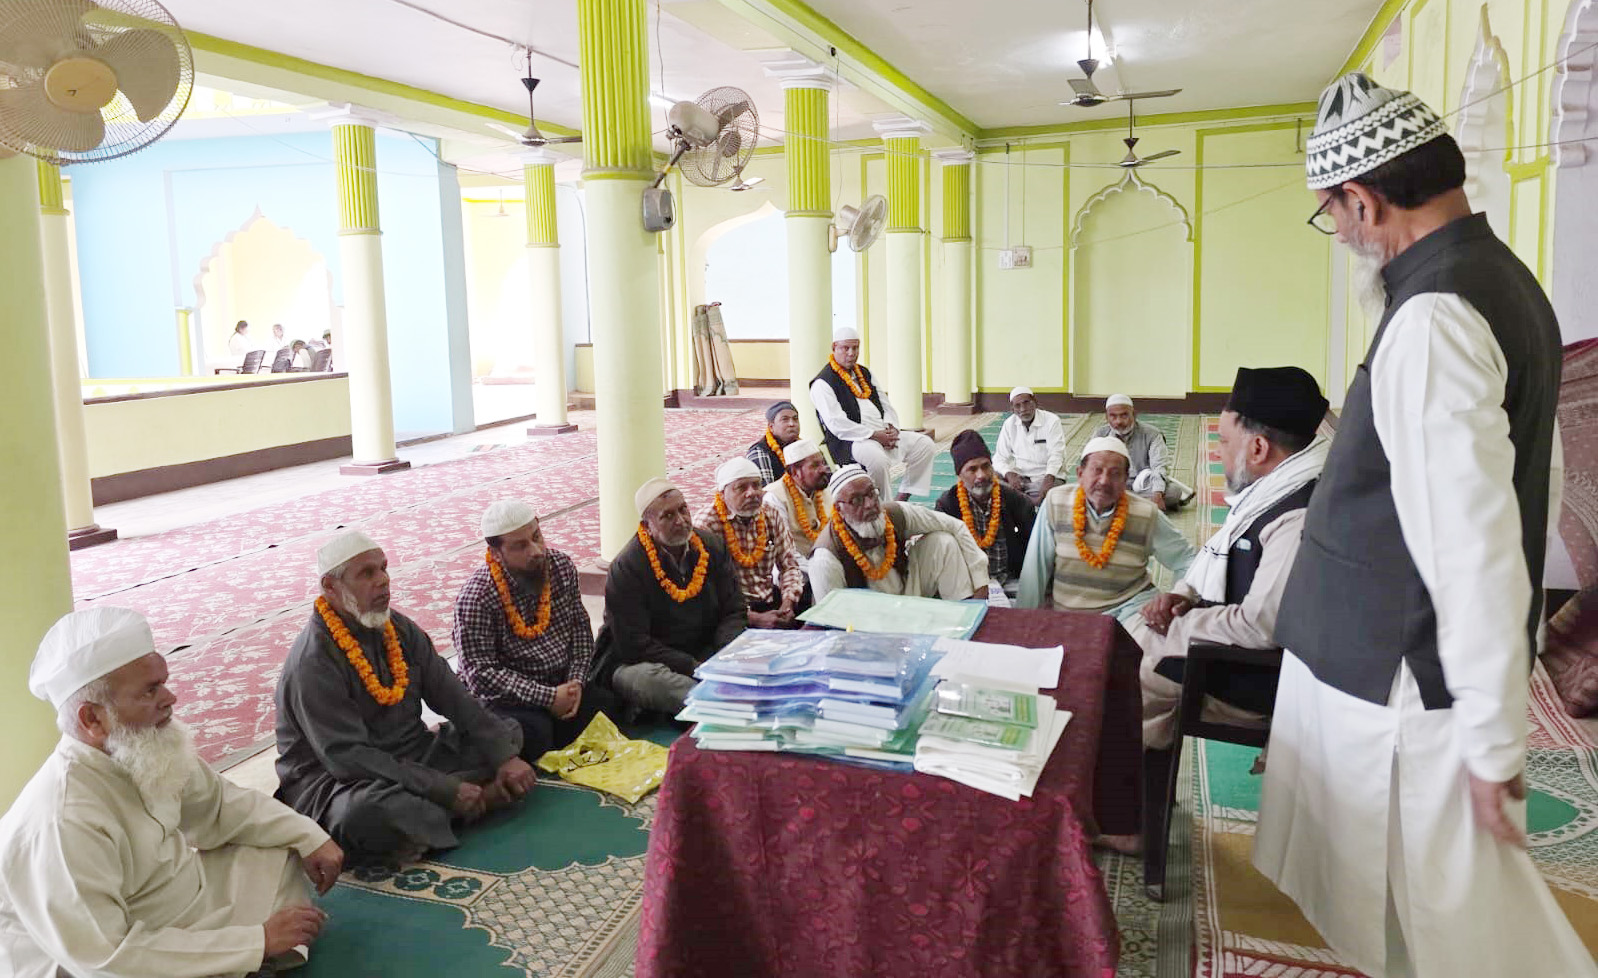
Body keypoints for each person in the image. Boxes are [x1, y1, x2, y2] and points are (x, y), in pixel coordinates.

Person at [1255, 73, 1595, 977]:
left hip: (1403, 678)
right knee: (1429, 909)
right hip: (1403, 661)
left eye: (1330, 214)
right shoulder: (1493, 276)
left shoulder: (1436, 316)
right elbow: (1536, 480)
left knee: (1456, 924)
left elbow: (1473, 542)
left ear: (1361, 201)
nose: (1338, 233)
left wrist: (1492, 732)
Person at [0, 607, 342, 978]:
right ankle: (241, 960)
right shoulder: (62, 819)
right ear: (92, 719)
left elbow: (220, 806)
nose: (170, 697)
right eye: (150, 691)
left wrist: (310, 837)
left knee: (280, 847)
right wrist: (256, 941)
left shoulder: (144, 747)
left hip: (174, 905)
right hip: (97, 956)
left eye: (163, 682)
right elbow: (105, 957)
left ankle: (232, 961)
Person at [275, 530, 534, 862]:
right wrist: (443, 789)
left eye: (383, 568)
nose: (383, 580)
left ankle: (435, 820)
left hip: (412, 754)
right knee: (366, 814)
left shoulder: (397, 627)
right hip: (340, 780)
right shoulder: (312, 662)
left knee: (509, 730)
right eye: (367, 573)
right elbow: (347, 757)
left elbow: (453, 695)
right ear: (330, 586)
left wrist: (504, 756)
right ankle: (475, 801)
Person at [1128, 367, 1329, 749]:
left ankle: (1131, 777)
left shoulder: (1297, 517)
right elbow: (1222, 560)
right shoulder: (1273, 490)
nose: (1218, 452)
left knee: (1123, 674)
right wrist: (1184, 594)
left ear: (1258, 448)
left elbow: (1260, 626)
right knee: (1124, 643)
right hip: (1231, 647)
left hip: (1260, 676)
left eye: (1223, 441)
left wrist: (1182, 623)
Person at [453, 501, 614, 764]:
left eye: (536, 536)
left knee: (606, 705)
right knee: (536, 734)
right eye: (520, 546)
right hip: (510, 699)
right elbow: (480, 674)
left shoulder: (560, 566)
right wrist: (548, 698)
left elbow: (580, 630)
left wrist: (575, 683)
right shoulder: (477, 597)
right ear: (496, 553)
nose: (536, 550)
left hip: (561, 682)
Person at [592, 479, 748, 715]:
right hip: (645, 661)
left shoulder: (711, 546)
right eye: (668, 516)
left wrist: (724, 653)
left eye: (683, 509)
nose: (681, 520)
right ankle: (719, 703)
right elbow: (633, 644)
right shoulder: (627, 567)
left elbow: (734, 608)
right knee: (653, 682)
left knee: (748, 651)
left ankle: (713, 696)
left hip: (706, 649)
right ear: (647, 526)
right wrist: (692, 666)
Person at [1017, 437, 1196, 624]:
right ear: (1080, 474)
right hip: (1070, 615)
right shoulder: (1056, 502)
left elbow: (1187, 560)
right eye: (1097, 470)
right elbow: (1035, 569)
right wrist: (1023, 621)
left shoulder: (1146, 513)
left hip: (1132, 612)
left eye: (1115, 473)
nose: (1104, 481)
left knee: (1164, 639)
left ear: (1126, 480)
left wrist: (1177, 597)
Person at [809, 464, 989, 603]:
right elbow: (833, 617)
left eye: (871, 493)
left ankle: (963, 614)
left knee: (943, 542)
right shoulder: (825, 558)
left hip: (908, 593)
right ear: (839, 509)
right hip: (869, 619)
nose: (870, 504)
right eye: (856, 500)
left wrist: (980, 582)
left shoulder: (894, 513)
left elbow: (955, 526)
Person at [810, 326, 936, 501]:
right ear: (834, 348)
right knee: (877, 460)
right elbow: (837, 424)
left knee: (924, 445)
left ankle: (902, 498)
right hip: (852, 440)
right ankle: (884, 505)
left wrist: (892, 428)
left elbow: (885, 403)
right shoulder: (823, 383)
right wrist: (874, 435)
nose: (851, 353)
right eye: (845, 348)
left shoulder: (864, 373)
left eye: (855, 348)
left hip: (881, 432)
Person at [695, 458, 806, 628]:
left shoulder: (770, 513)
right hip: (730, 613)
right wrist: (755, 619)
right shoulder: (706, 525)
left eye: (756, 485)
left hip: (769, 600)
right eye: (741, 487)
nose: (751, 493)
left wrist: (788, 604)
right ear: (722, 494)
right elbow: (708, 591)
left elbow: (789, 565)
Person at [934, 429, 1037, 599]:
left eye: (985, 466)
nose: (981, 475)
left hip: (1009, 580)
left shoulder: (1014, 499)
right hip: (967, 586)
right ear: (959, 475)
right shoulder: (947, 505)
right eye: (972, 469)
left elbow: (1034, 545)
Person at [1093, 395, 1195, 511]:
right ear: (1107, 417)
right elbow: (1091, 466)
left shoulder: (1152, 434)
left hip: (1143, 485)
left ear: (1134, 414)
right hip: (1113, 484)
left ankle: (1118, 504)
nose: (1119, 421)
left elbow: (1159, 467)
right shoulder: (1100, 435)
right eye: (1113, 416)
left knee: (1174, 492)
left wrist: (1157, 493)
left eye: (1124, 415)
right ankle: (1136, 505)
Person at [992, 386, 1067, 503]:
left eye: (1026, 403)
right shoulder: (1009, 424)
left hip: (1048, 477)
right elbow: (999, 458)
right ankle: (1027, 501)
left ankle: (1026, 501)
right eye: (1017, 406)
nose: (1023, 409)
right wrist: (1009, 474)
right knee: (993, 481)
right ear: (1012, 409)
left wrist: (1048, 478)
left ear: (1035, 402)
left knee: (1052, 495)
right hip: (1021, 478)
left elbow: (1056, 455)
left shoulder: (1052, 421)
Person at [764, 437, 831, 563]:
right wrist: (817, 570)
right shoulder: (774, 498)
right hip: (798, 569)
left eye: (823, 463)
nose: (823, 469)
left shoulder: (826, 488)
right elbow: (786, 552)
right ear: (795, 472)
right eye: (815, 465)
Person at [747, 400, 802, 485]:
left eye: (795, 419)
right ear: (771, 427)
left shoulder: (803, 446)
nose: (792, 424)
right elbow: (767, 491)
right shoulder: (760, 452)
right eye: (785, 419)